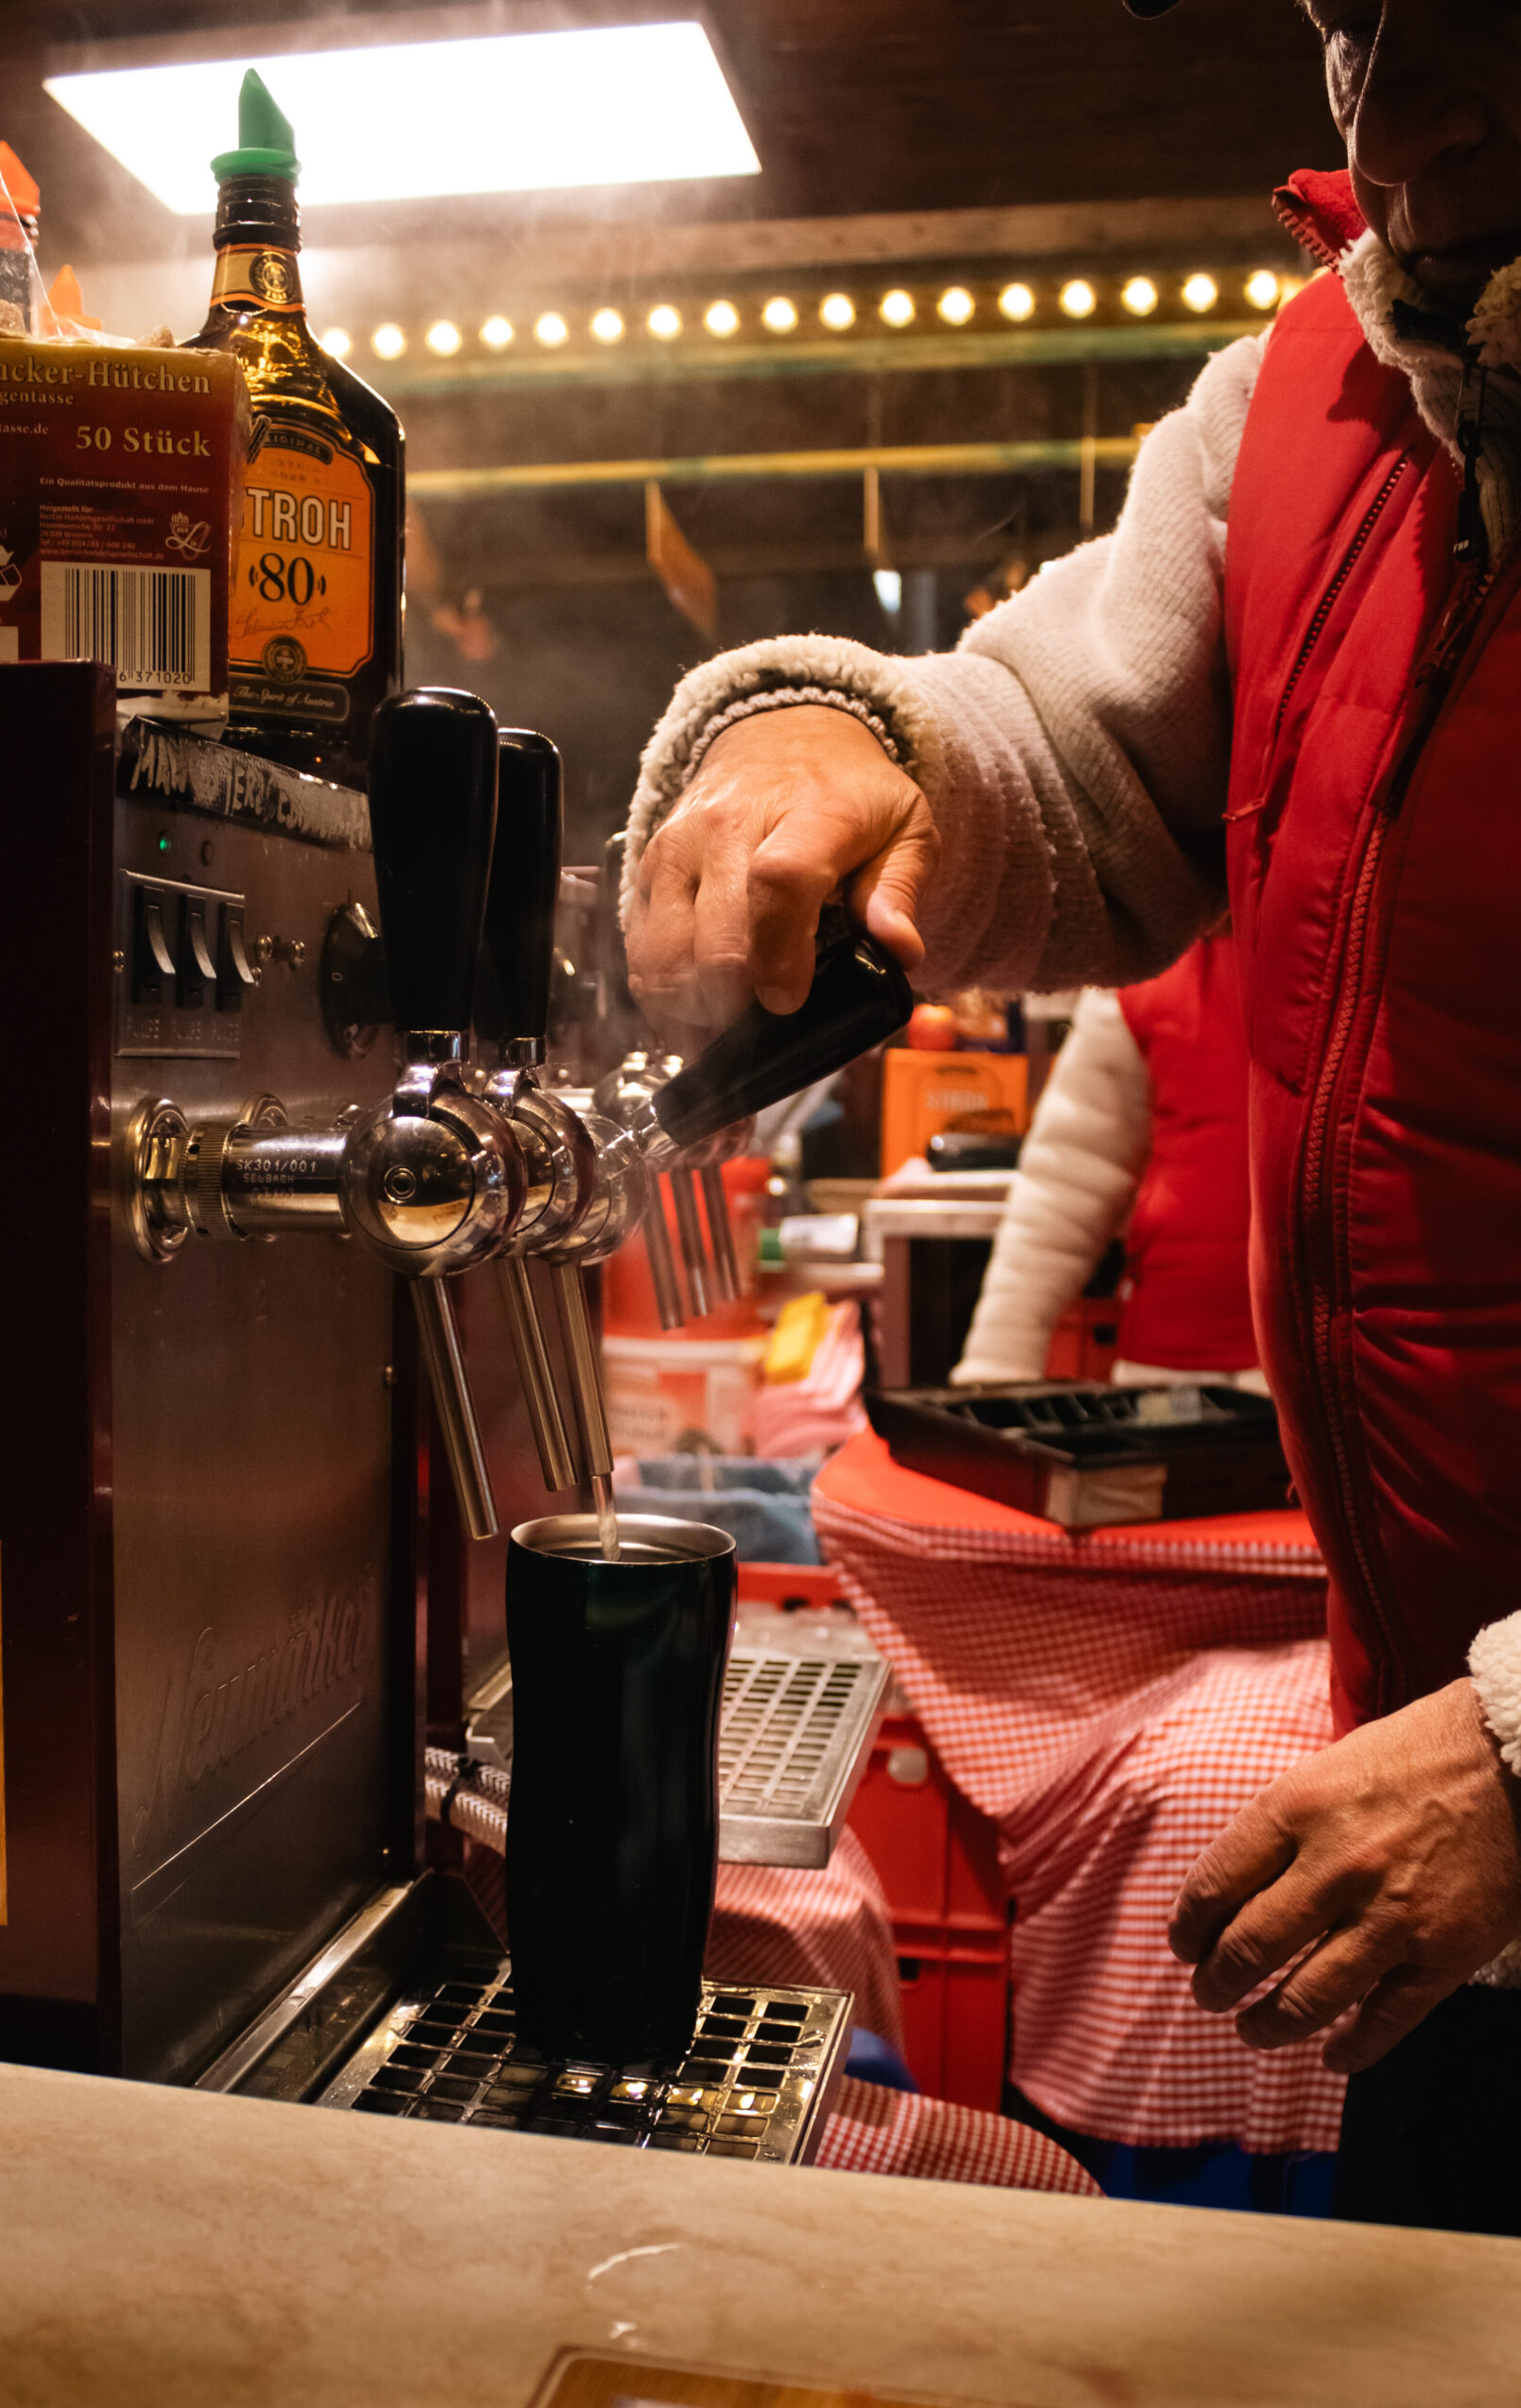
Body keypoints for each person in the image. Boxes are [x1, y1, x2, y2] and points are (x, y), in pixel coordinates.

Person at [620, 0, 1521, 2233]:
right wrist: (855, 747)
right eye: (1350, 18)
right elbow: (1076, 757)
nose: (1392, 105)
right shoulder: (1314, 399)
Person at [952, 929, 1265, 1391]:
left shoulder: (1368, 958)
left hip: (1333, 1387)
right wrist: (998, 1359)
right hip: (1166, 1367)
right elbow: (1066, 1178)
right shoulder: (1147, 965)